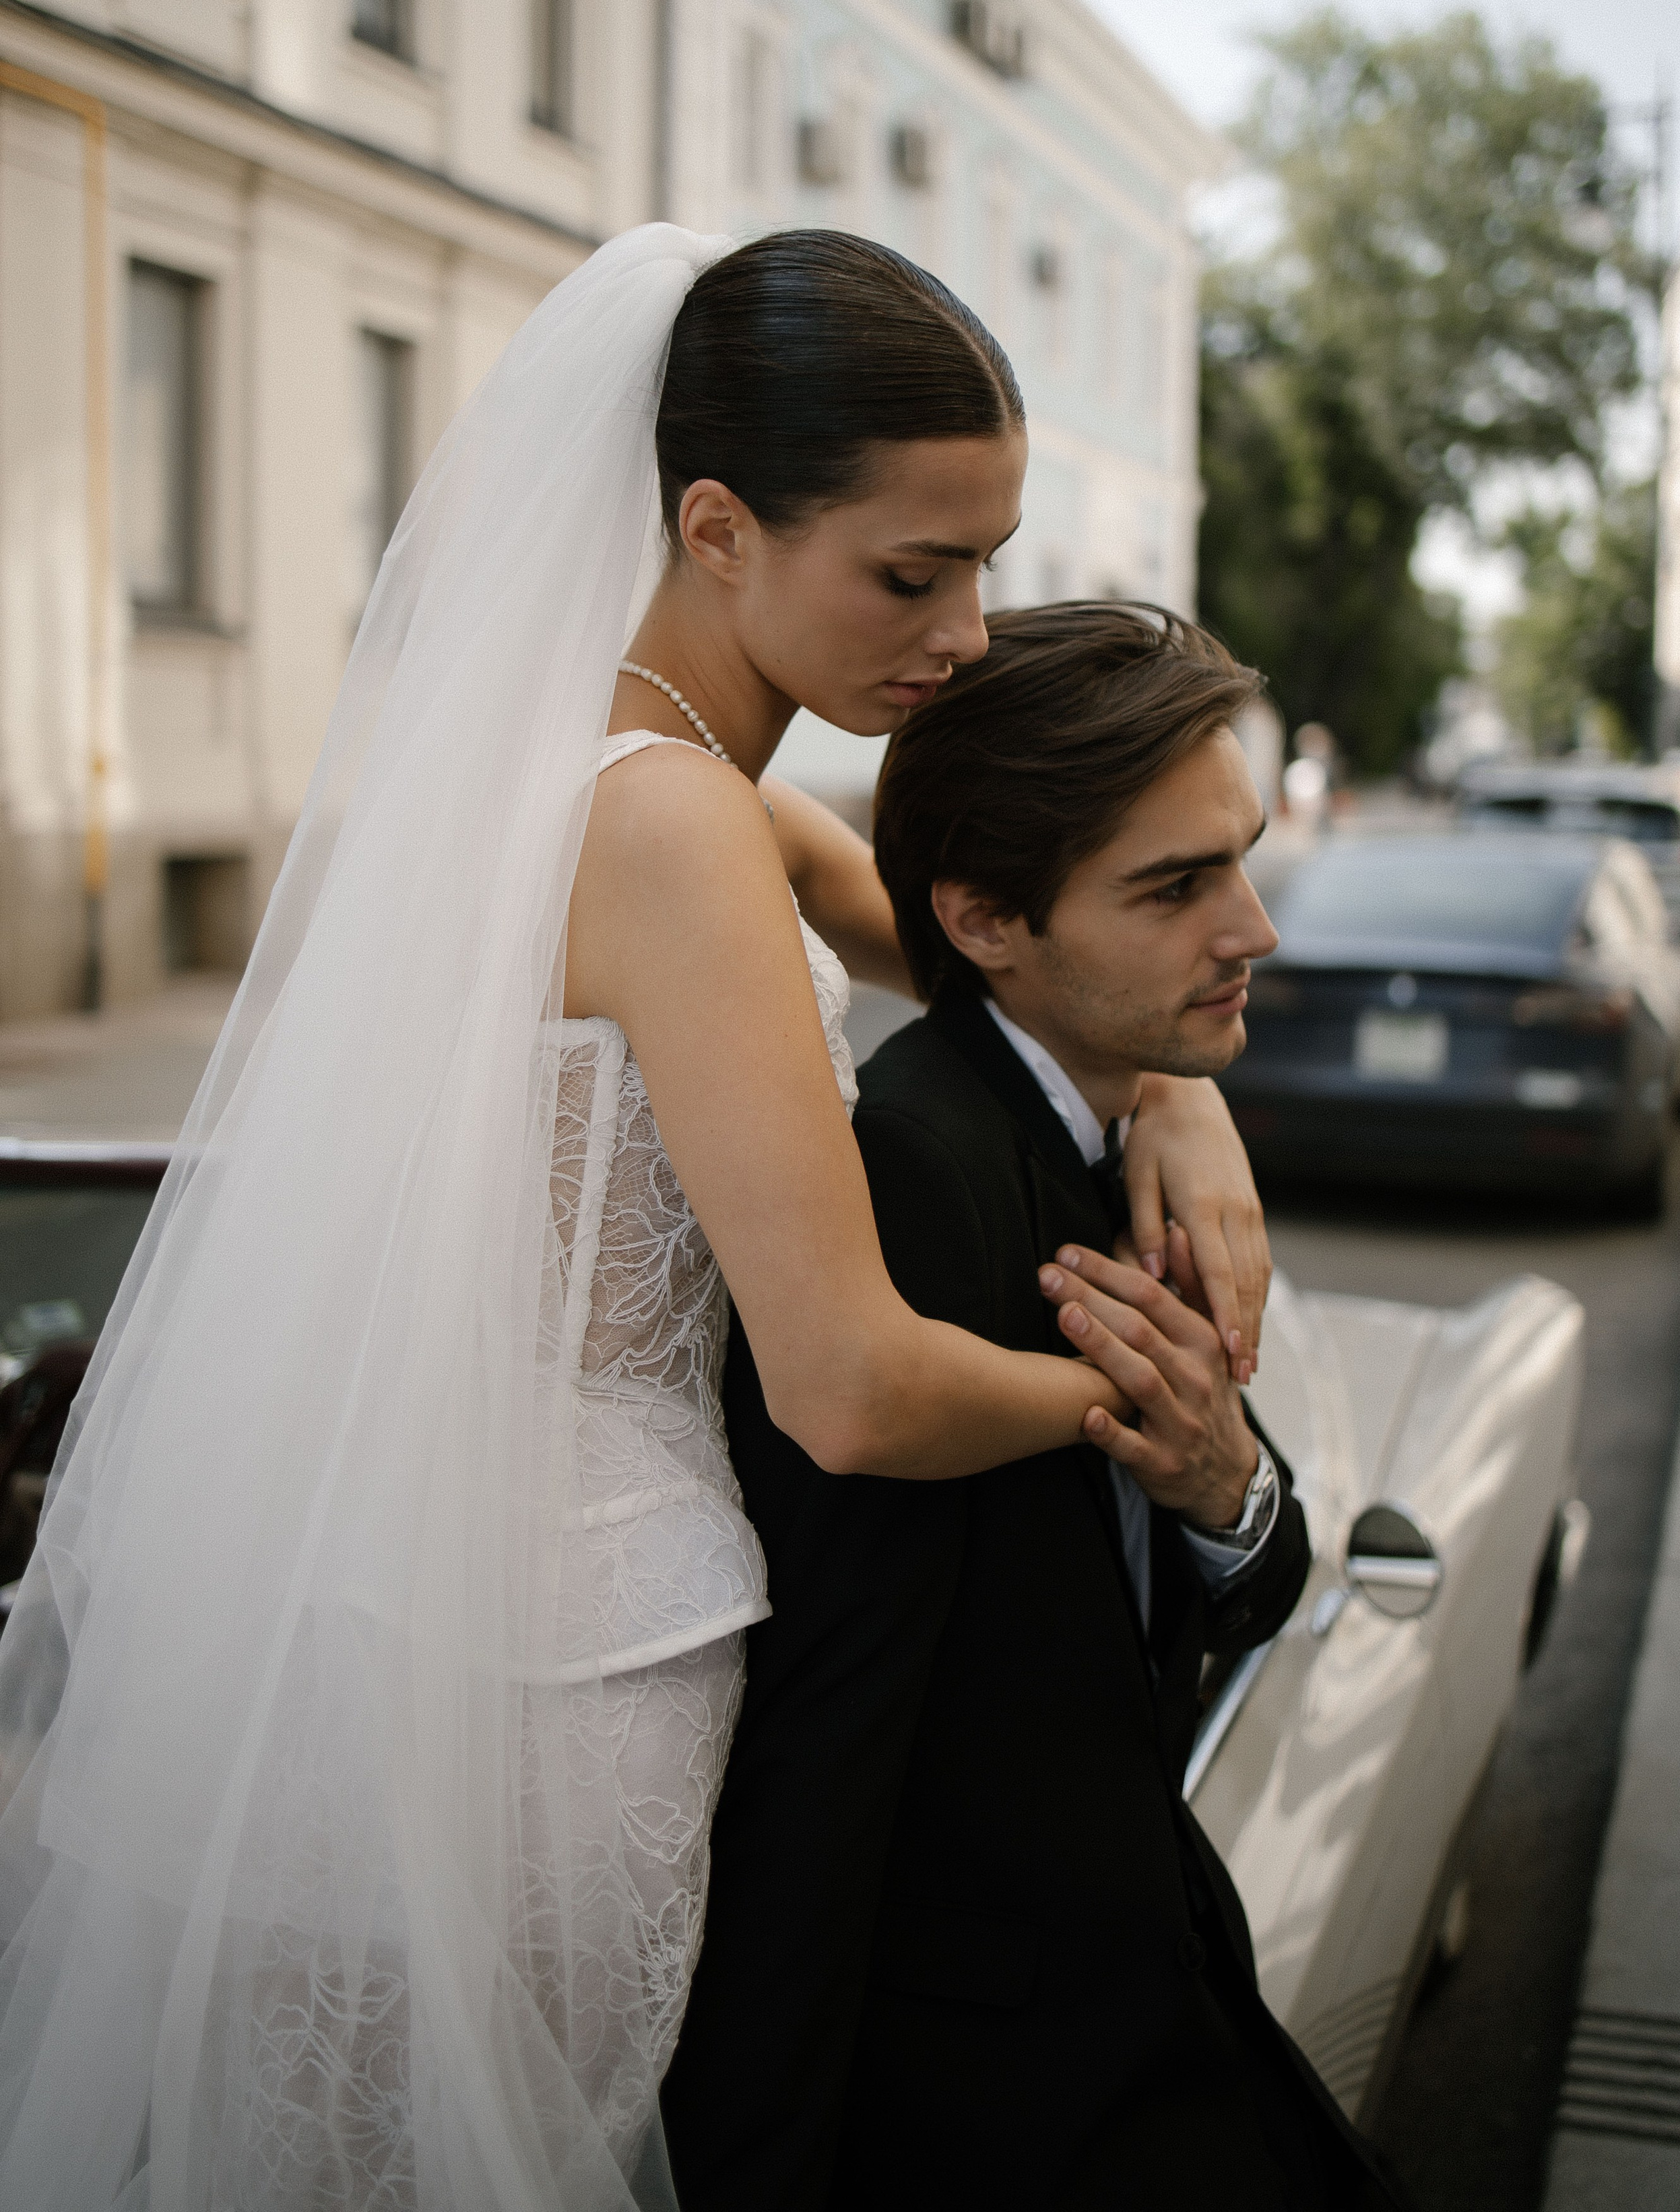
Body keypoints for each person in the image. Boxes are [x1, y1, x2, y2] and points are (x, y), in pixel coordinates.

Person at [0, 229, 1272, 2211]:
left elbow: (967, 949)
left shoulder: (601, 768)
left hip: (386, 1616)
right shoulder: (677, 824)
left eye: (987, 563)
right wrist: (1152, 1405)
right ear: (717, 525)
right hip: (563, 1670)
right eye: (910, 572)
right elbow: (849, 1387)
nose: (961, 634)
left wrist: (1180, 1085)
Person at [663, 603, 1413, 2212]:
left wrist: (1224, 1487)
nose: (1255, 928)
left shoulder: (1122, 1129)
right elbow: (822, 1752)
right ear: (985, 918)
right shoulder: (916, 1190)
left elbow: (1247, 1570)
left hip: (1158, 1995)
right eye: (1176, 886)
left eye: (1242, 858)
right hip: (994, 2107)